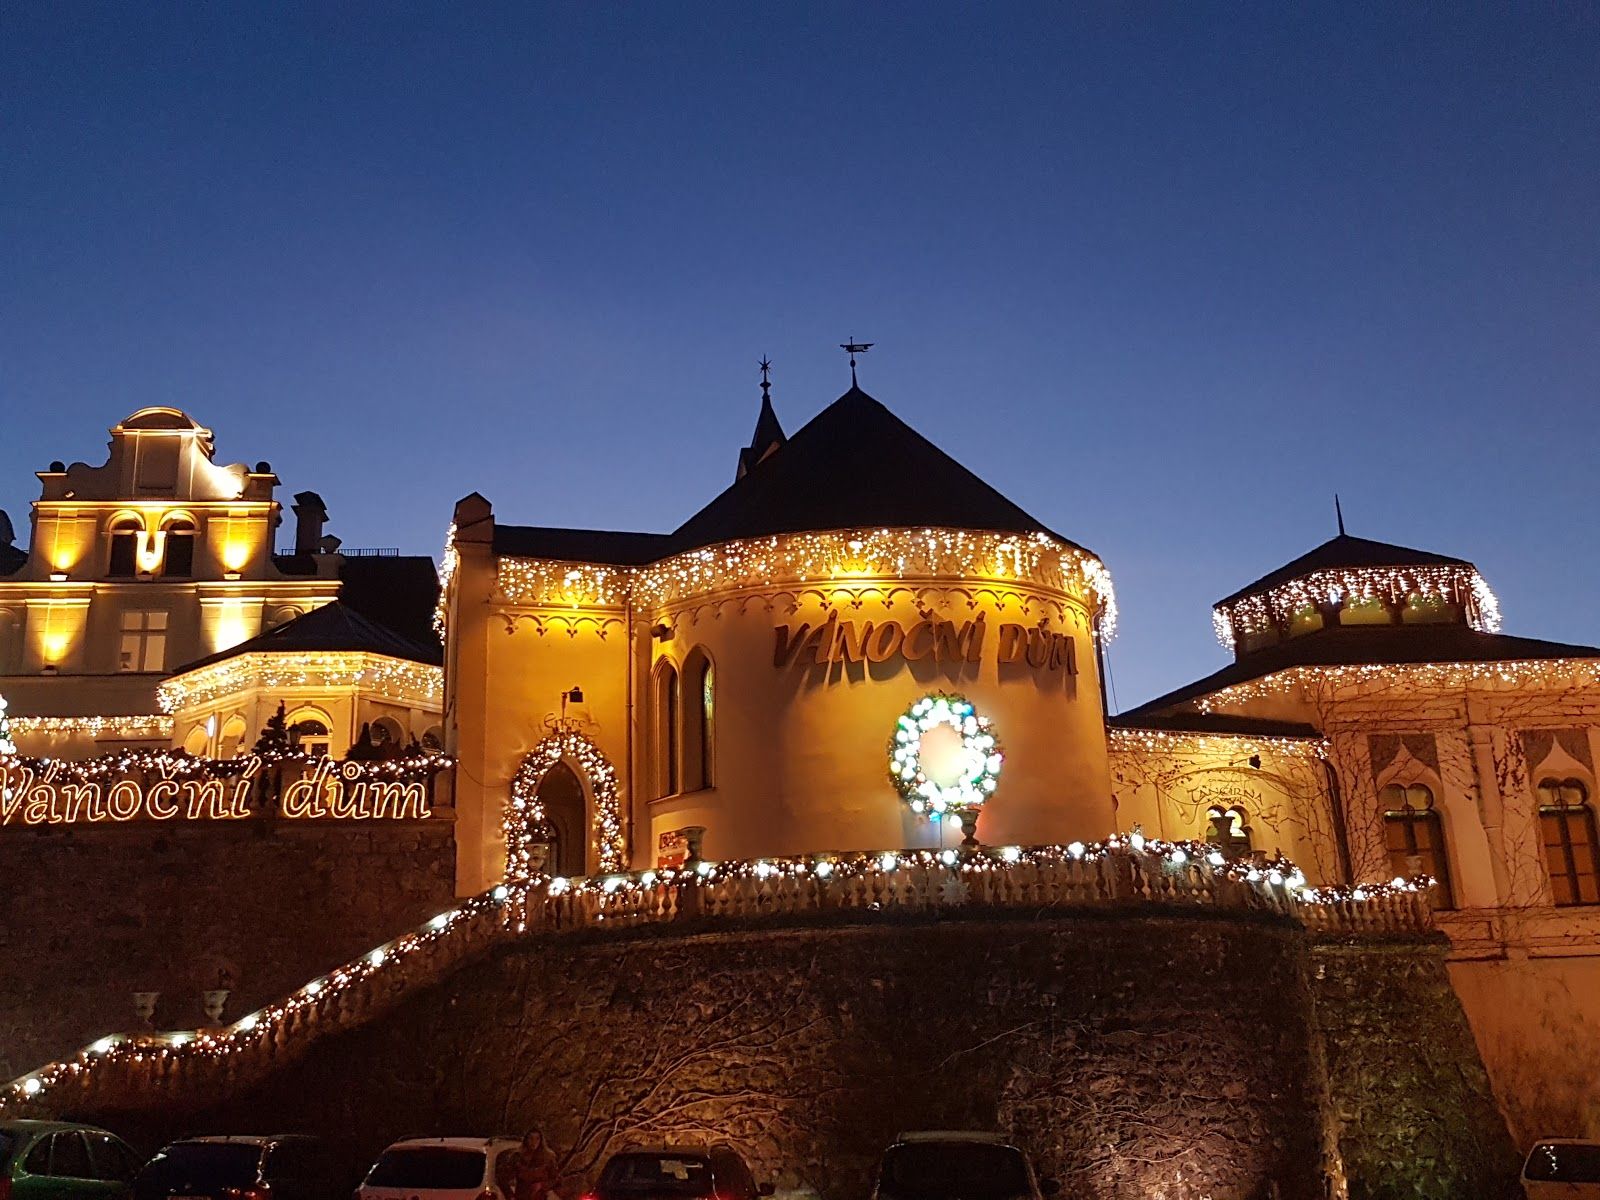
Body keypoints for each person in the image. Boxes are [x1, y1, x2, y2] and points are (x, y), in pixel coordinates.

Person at [499, 1131, 561, 1200]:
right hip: (521, 1197)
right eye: (531, 1138)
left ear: (541, 1141)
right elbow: (503, 1179)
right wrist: (510, 1196)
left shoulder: (548, 1158)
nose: (534, 1142)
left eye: (537, 1139)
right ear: (526, 1140)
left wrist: (542, 1185)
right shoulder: (517, 1157)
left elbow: (555, 1179)